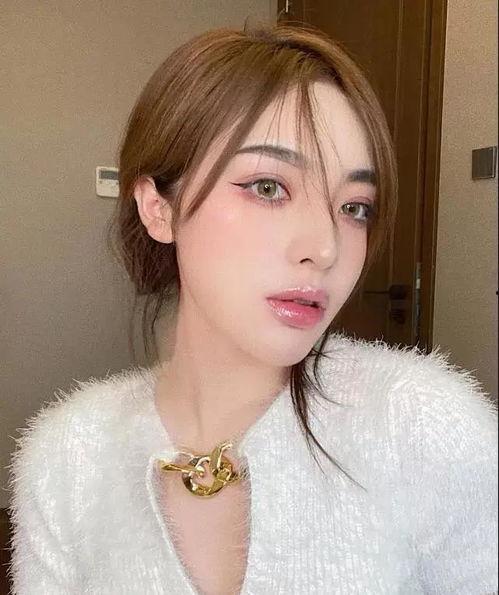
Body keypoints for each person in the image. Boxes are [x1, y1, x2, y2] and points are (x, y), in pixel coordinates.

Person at [7, 22, 498, 595]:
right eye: (268, 187)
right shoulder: (68, 455)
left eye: (354, 207)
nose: (325, 247)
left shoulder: (421, 424)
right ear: (159, 209)